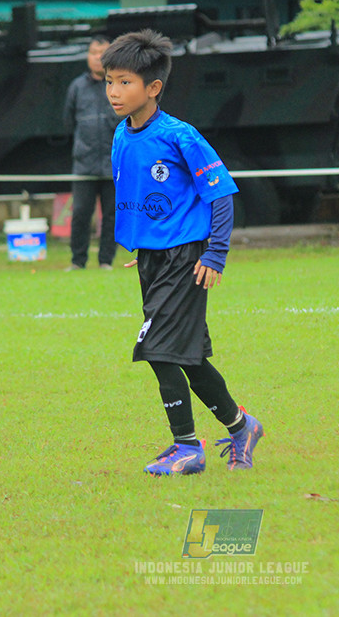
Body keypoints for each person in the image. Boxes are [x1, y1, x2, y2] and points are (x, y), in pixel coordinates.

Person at [101, 29, 264, 476]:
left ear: (153, 88)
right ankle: (241, 425)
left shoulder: (180, 136)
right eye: (109, 81)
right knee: (186, 355)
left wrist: (215, 253)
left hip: (188, 258)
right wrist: (145, 244)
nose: (114, 91)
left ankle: (187, 446)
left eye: (125, 82)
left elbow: (221, 193)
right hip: (156, 257)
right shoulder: (121, 134)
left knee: (157, 348)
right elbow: (141, 196)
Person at [63, 36, 121, 271]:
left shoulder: (120, 84)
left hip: (112, 162)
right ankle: (78, 261)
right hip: (84, 163)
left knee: (112, 215)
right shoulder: (77, 87)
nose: (97, 57)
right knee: (80, 214)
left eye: (102, 52)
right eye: (93, 52)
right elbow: (67, 122)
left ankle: (106, 260)